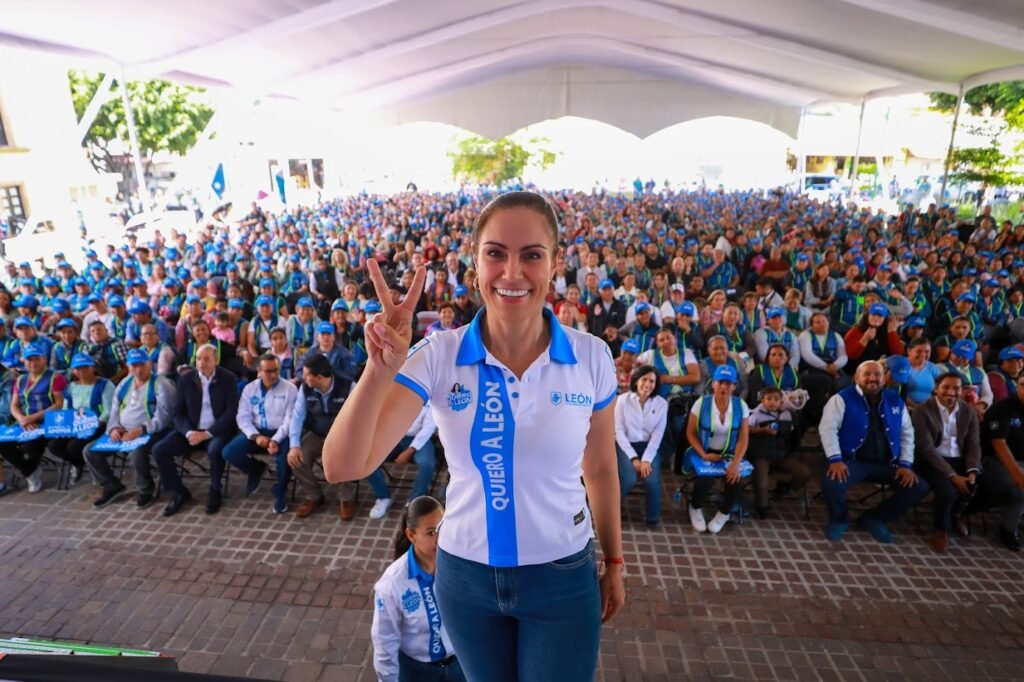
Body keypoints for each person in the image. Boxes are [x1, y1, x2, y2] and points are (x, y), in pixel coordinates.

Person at [323, 191, 624, 681]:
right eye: (495, 253)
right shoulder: (439, 354)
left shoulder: (591, 358)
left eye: (531, 255)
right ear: (475, 261)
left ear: (555, 263)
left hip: (562, 575)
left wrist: (613, 559)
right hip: (464, 578)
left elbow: (601, 469)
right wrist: (379, 370)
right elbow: (343, 465)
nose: (511, 273)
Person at [819, 361, 928, 543]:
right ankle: (839, 519)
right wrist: (835, 459)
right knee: (832, 482)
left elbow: (907, 433)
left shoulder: (895, 400)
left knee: (918, 486)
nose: (872, 378)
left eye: (877, 374)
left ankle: (876, 518)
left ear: (884, 378)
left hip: (887, 463)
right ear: (856, 377)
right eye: (867, 374)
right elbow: (827, 429)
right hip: (851, 461)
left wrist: (905, 464)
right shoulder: (841, 399)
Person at [372, 497, 464, 682]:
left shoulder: (461, 566)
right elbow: (385, 641)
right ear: (411, 535)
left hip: (459, 664)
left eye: (441, 528)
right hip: (417, 671)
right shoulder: (392, 584)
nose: (439, 539)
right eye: (431, 533)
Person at [151, 344, 240, 517]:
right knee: (159, 450)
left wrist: (207, 433)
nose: (202, 363)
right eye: (199, 359)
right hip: (191, 430)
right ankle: (178, 491)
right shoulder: (185, 379)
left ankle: (215, 489)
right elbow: (178, 412)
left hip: (216, 431)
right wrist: (189, 432)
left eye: (206, 359)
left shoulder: (227, 378)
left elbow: (231, 413)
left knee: (215, 450)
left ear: (216, 360)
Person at [84, 349, 177, 508]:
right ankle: (111, 486)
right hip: (123, 431)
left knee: (137, 452)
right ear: (128, 367)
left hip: (151, 431)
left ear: (150, 365)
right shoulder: (124, 383)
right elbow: (114, 409)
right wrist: (114, 428)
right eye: (134, 366)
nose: (138, 370)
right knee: (89, 451)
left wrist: (140, 430)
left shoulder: (161, 385)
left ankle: (145, 489)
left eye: (142, 365)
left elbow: (164, 417)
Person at [912, 372, 983, 552]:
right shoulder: (922, 411)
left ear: (962, 390)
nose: (951, 392)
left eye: (956, 388)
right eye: (946, 387)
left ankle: (956, 514)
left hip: (960, 458)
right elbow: (926, 448)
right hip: (932, 460)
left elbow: (974, 444)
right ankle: (941, 529)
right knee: (948, 490)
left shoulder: (968, 411)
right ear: (936, 389)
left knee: (982, 483)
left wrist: (972, 471)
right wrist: (952, 475)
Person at [286, 354, 360, 520]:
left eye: (306, 375)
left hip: (343, 437)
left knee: (351, 457)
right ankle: (314, 495)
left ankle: (346, 498)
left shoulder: (349, 386)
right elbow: (297, 416)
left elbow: (359, 417)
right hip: (317, 434)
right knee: (297, 459)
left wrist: (342, 440)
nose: (303, 378)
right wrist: (294, 445)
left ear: (319, 377)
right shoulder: (305, 388)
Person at [223, 353, 298, 514]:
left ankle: (280, 492)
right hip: (256, 433)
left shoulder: (290, 389)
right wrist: (256, 436)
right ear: (259, 371)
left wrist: (275, 440)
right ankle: (256, 469)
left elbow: (290, 420)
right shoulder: (250, 389)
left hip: (281, 433)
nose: (272, 374)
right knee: (229, 452)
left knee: (286, 461)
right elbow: (242, 417)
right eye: (267, 371)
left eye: (275, 370)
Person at [684, 365, 750, 535]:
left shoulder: (741, 405)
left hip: (729, 453)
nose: (724, 387)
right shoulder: (701, 403)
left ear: (734, 387)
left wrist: (735, 463)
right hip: (703, 450)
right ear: (713, 384)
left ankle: (724, 513)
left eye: (728, 384)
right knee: (705, 478)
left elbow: (743, 438)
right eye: (720, 382)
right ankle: (695, 506)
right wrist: (704, 454)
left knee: (734, 478)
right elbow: (690, 433)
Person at [0, 344, 67, 492]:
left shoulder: (56, 378)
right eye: (29, 360)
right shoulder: (21, 380)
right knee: (3, 444)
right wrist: (22, 419)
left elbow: (59, 404)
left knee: (31, 444)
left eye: (37, 359)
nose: (33, 363)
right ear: (24, 362)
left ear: (44, 359)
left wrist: (32, 418)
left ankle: (30, 472)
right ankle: (30, 471)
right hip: (25, 422)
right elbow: (14, 405)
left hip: (49, 422)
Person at [363, 402, 440, 519]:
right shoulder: (396, 390)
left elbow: (428, 429)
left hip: (418, 438)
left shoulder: (429, 398)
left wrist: (410, 451)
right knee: (366, 458)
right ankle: (383, 497)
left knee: (427, 464)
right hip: (392, 436)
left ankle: (414, 501)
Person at [614, 365, 668, 528]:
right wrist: (634, 458)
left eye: (652, 381)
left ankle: (652, 518)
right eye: (644, 379)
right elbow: (618, 431)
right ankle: (608, 510)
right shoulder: (623, 400)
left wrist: (645, 460)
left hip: (649, 448)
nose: (648, 384)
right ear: (636, 380)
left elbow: (658, 435)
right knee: (629, 478)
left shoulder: (662, 404)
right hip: (625, 446)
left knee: (651, 479)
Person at [48, 353, 114, 487]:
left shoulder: (105, 385)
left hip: (99, 424)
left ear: (92, 367)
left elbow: (108, 411)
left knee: (74, 446)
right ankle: (78, 463)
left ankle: (95, 467)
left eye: (85, 367)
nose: (82, 371)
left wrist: (91, 424)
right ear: (73, 371)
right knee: (54, 446)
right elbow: (67, 410)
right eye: (78, 369)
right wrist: (66, 427)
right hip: (77, 425)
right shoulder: (71, 387)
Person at [746, 386, 809, 518]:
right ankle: (761, 507)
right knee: (762, 482)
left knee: (804, 473)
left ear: (781, 401)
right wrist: (762, 431)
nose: (772, 402)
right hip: (761, 455)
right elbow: (746, 430)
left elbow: (794, 434)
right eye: (769, 399)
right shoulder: (756, 414)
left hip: (781, 455)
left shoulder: (788, 414)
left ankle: (784, 488)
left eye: (776, 399)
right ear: (762, 401)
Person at [981, 376, 1024, 551]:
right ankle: (1008, 529)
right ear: (1017, 387)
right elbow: (999, 444)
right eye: (1023, 385)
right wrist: (1018, 474)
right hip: (996, 460)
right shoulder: (1004, 408)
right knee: (1020, 489)